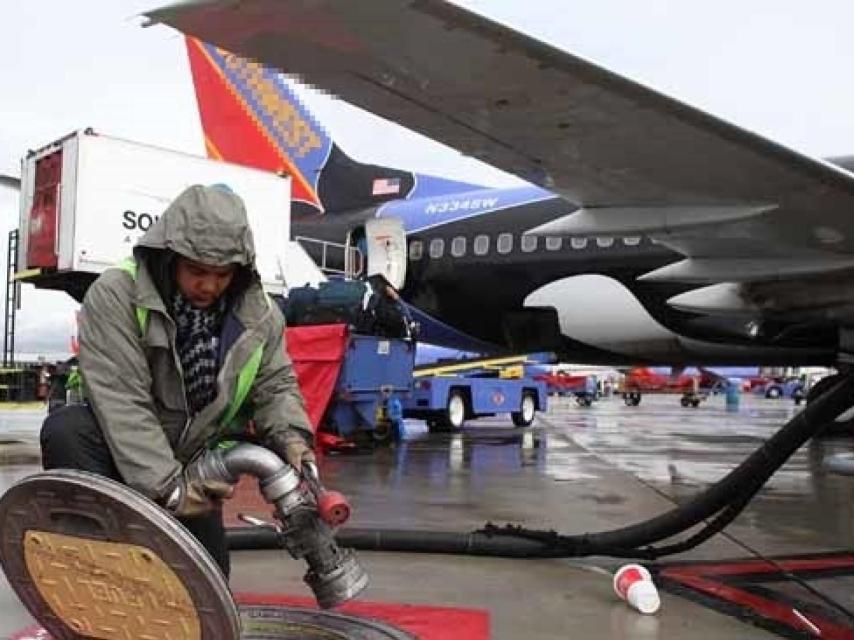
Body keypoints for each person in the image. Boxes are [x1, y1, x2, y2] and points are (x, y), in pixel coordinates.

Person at [39, 184, 315, 577]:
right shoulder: (116, 295)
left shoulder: (261, 317)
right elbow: (123, 404)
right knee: (68, 430)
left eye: (221, 274)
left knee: (210, 583)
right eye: (197, 271)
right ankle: (93, 570)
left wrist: (292, 438)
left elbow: (275, 385)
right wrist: (169, 491)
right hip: (116, 455)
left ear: (240, 270)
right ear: (169, 257)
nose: (208, 286)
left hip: (189, 466)